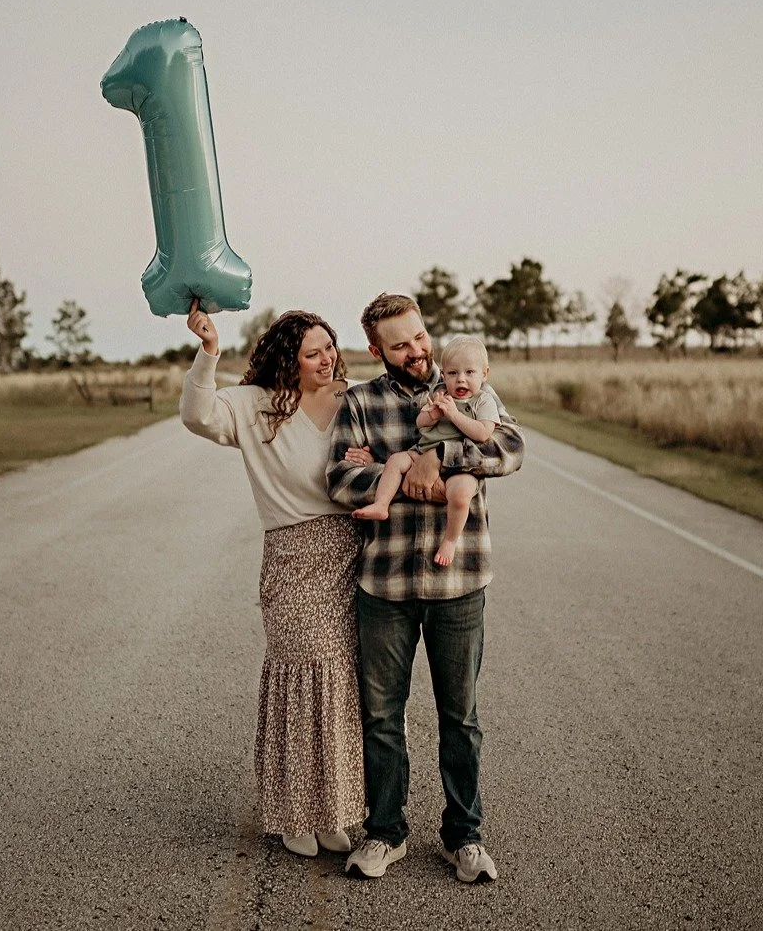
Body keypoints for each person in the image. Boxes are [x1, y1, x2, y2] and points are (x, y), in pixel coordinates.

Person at [326, 294, 524, 884]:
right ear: (375, 350)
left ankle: (464, 837)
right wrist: (410, 471)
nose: (416, 351)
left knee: (458, 715)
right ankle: (385, 832)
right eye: (399, 343)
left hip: (458, 582)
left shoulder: (467, 384)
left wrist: (438, 459)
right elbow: (340, 479)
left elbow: (510, 448)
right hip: (383, 584)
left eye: (418, 337)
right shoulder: (360, 402)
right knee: (381, 715)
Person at [180, 299, 366, 858]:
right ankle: (293, 813)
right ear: (290, 360)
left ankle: (335, 808)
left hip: (350, 550)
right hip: (290, 554)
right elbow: (197, 414)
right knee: (299, 677)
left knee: (342, 679)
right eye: (313, 353)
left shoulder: (352, 402)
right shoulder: (257, 406)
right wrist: (209, 352)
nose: (327, 359)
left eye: (330, 348)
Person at [353, 335, 501, 568]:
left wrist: (453, 415)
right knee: (396, 460)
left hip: (458, 467)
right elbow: (421, 423)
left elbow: (483, 433)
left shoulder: (483, 401)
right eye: (453, 373)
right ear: (443, 375)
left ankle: (450, 540)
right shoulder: (440, 394)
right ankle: (382, 504)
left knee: (461, 495)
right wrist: (432, 414)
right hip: (420, 453)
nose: (460, 380)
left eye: (469, 373)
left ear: (485, 374)